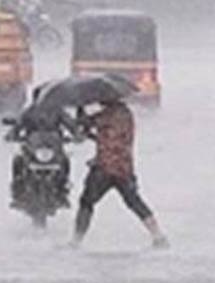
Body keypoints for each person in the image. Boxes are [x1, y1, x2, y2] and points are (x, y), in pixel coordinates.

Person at [71, 99, 168, 248]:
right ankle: (158, 235)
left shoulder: (107, 116)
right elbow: (107, 137)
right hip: (124, 167)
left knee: (86, 202)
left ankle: (76, 241)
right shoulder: (127, 115)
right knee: (134, 202)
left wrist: (80, 109)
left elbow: (86, 124)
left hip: (105, 167)